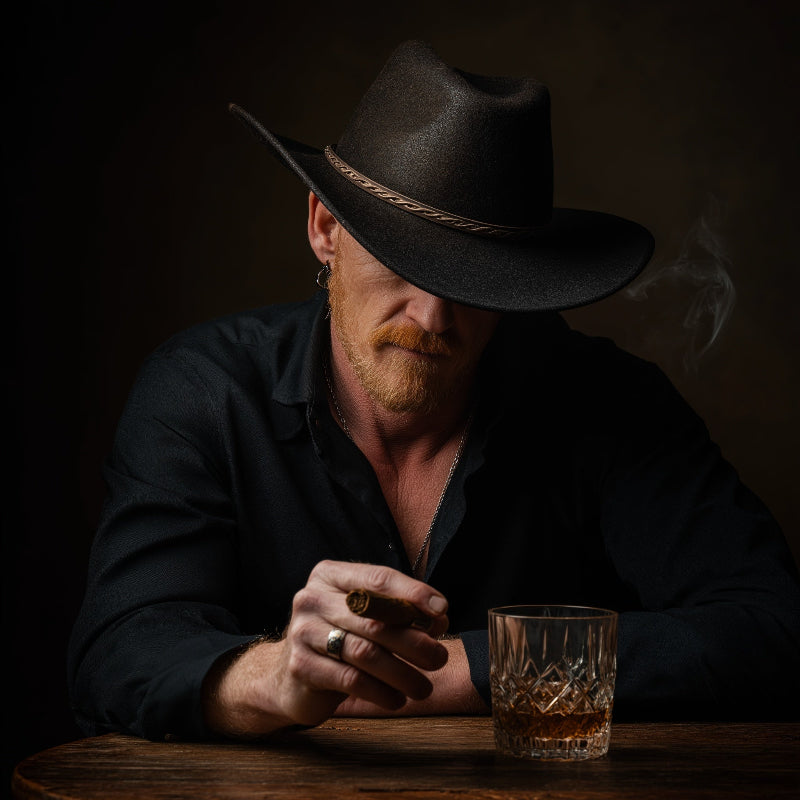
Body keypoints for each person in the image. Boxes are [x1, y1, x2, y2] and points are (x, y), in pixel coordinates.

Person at [68, 40, 800, 741]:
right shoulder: (205, 391)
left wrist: (459, 670)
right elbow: (119, 650)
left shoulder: (608, 402)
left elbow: (776, 630)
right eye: (399, 260)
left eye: (475, 283)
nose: (431, 317)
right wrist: (275, 678)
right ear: (326, 229)